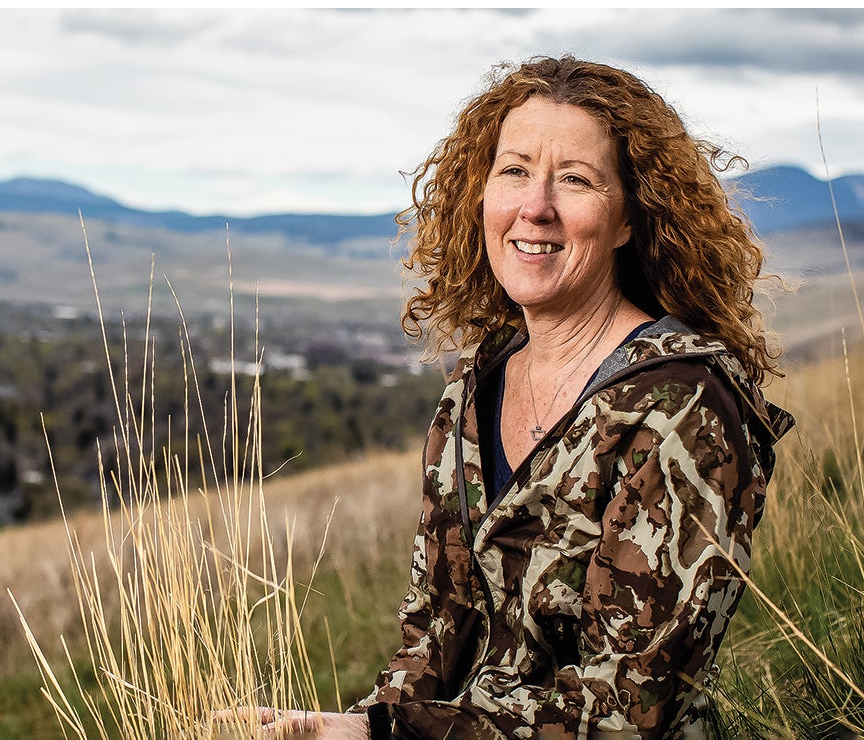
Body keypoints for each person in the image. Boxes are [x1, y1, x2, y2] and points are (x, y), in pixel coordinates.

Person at [246, 55, 794, 739]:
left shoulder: (683, 408)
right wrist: (347, 726)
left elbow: (629, 711)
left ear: (629, 218)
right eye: (514, 171)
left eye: (575, 180)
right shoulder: (472, 393)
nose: (535, 206)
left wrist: (387, 736)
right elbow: (431, 640)